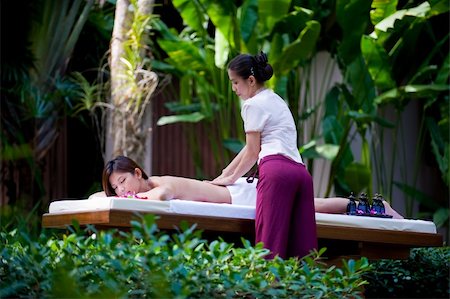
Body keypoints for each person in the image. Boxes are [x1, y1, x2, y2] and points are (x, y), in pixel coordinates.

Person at [101, 157, 403, 235]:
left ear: (138, 173)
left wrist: (120, 200)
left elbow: (161, 198)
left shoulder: (159, 184)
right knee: (312, 208)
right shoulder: (145, 187)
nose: (122, 190)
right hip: (239, 194)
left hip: (244, 198)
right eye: (115, 188)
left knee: (313, 208)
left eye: (124, 181)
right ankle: (371, 206)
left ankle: (376, 207)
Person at [207, 52, 316, 259]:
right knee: (302, 251)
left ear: (250, 80)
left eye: (235, 83)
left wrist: (229, 179)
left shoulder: (252, 104)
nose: (234, 89)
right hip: (301, 175)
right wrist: (224, 174)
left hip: (277, 173)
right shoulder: (275, 99)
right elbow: (249, 148)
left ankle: (267, 290)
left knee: (270, 246)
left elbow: (252, 152)